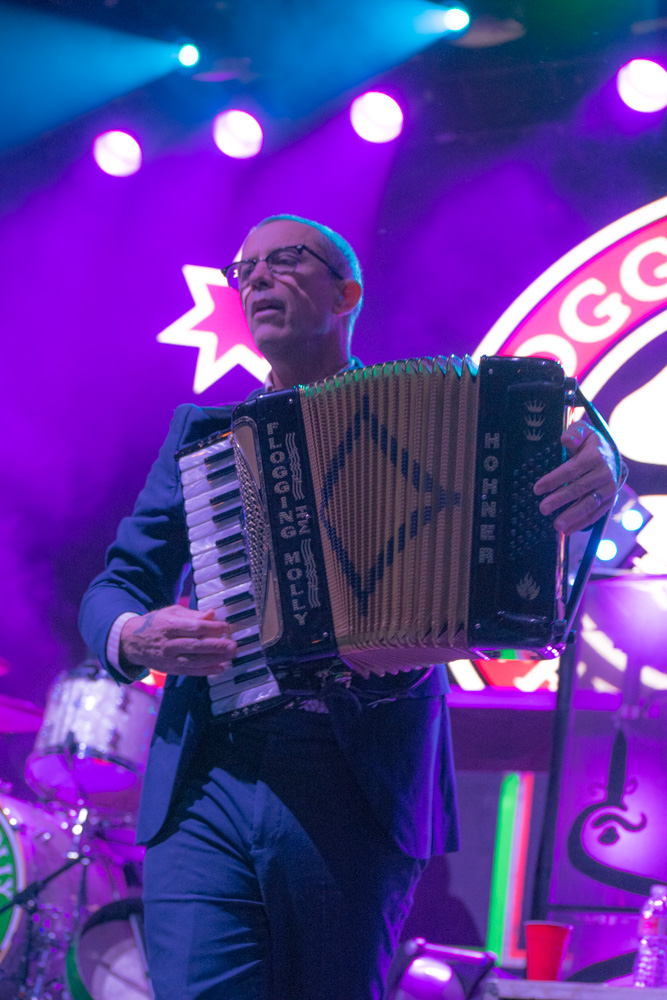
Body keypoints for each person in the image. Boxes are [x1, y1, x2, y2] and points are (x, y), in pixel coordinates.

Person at [79, 214, 620, 1000]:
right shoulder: (201, 438)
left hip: (355, 777)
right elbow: (114, 585)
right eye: (245, 270)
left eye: (285, 261)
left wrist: (596, 463)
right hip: (209, 773)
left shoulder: (456, 418)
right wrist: (133, 635)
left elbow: (550, 476)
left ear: (347, 291)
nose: (257, 278)